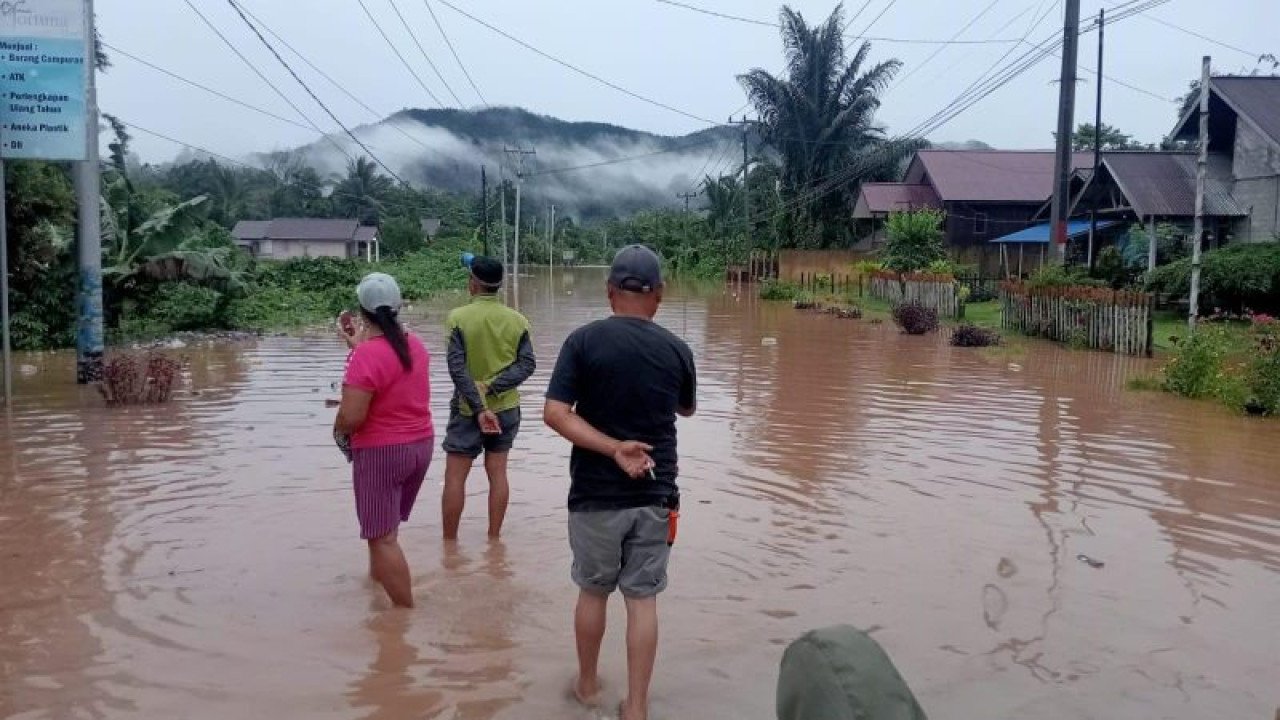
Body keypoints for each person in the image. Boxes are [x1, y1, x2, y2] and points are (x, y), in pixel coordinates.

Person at [543, 245, 696, 720]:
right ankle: (637, 707)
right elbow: (686, 409)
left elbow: (554, 414)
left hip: (593, 495)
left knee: (593, 592)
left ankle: (587, 687)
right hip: (655, 493)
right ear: (660, 296)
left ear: (609, 292)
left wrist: (611, 447)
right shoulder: (677, 348)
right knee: (642, 599)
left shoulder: (582, 342)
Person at [334, 272, 434, 608]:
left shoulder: (366, 356)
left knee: (382, 538)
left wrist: (338, 429)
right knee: (385, 532)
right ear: (398, 305)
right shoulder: (415, 345)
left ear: (361, 312)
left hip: (382, 451)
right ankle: (378, 587)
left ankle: (404, 615)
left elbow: (351, 417)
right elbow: (388, 365)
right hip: (420, 445)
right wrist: (356, 347)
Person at [442, 255, 536, 540]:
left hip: (467, 410)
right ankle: (494, 540)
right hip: (506, 409)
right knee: (498, 474)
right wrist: (495, 387)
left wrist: (478, 403)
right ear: (498, 285)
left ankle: (449, 545)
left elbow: (457, 369)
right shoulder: (518, 320)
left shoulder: (457, 318)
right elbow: (527, 364)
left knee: (455, 478)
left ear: (473, 284)